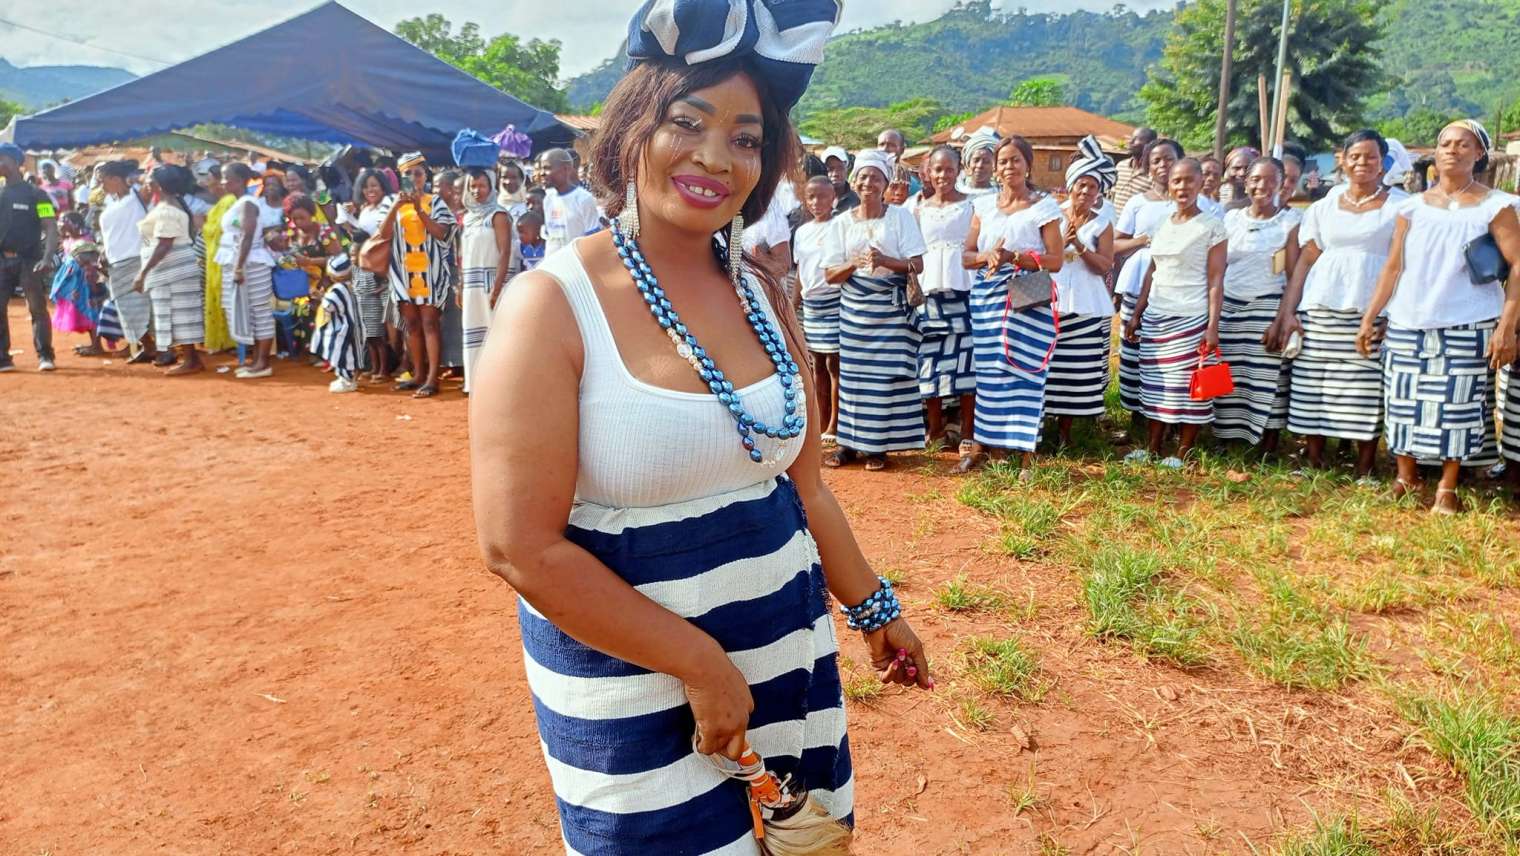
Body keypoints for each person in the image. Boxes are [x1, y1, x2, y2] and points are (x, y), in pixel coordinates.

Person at [471, 3, 933, 849]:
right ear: (631, 130)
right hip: (638, 696)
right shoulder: (550, 306)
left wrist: (874, 611)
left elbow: (806, 488)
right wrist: (699, 664)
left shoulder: (761, 294)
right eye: (688, 122)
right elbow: (517, 548)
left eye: (747, 138)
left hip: (784, 675)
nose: (716, 158)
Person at [1358, 120, 1520, 514]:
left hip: (1468, 320)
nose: (1452, 150)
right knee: (1402, 401)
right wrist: (1370, 316)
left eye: (1463, 144)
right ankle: (1406, 477)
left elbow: (1517, 266)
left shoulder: (1496, 206)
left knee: (1458, 406)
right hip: (1408, 320)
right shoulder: (1412, 207)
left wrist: (1507, 327)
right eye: (1445, 143)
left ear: (1479, 154)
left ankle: (1447, 487)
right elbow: (1393, 267)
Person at [1270, 130, 1406, 478]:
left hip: (1370, 308)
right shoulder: (1323, 206)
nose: (1362, 163)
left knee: (1364, 386)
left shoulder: (1400, 206)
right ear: (1342, 160)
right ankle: (1313, 459)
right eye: (1355, 156)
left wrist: (1392, 312)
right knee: (1315, 382)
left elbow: (1403, 264)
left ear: (1382, 163)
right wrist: (1288, 311)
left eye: (1371, 157)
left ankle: (1364, 466)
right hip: (1320, 306)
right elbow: (1305, 260)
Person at [961, 135, 1065, 476]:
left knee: (1027, 372)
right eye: (1002, 161)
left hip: (1027, 296)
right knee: (991, 376)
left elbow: (1056, 260)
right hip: (987, 298)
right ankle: (998, 449)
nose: (1008, 167)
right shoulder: (984, 206)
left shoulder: (1043, 206)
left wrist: (1016, 257)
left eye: (1015, 160)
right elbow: (967, 255)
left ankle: (1027, 456)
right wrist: (987, 256)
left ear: (1028, 164)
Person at [822, 149, 928, 471]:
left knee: (883, 379)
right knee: (852, 377)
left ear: (885, 184)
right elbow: (829, 275)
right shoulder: (841, 223)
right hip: (855, 311)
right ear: (854, 183)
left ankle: (878, 448)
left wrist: (884, 261)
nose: (869, 182)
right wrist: (853, 263)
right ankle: (848, 445)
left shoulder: (901, 217)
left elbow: (917, 264)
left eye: (876, 177)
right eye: (863, 176)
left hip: (890, 311)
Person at [1123, 158, 1227, 467]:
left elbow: (1216, 279)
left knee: (1188, 387)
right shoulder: (1162, 223)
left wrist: (1212, 325)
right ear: (1169, 185)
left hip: (1191, 317)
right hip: (1157, 315)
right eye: (1176, 181)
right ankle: (1153, 449)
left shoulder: (1212, 227)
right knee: (1156, 384)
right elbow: (1152, 269)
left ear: (1200, 184)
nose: (1182, 187)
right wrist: (1138, 310)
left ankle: (1183, 451)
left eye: (1189, 181)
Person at [1215, 158, 1300, 451]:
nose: (1261, 186)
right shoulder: (1230, 219)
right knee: (1229, 374)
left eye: (1270, 180)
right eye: (1255, 179)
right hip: (1229, 307)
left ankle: (1268, 444)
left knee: (1265, 377)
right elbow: (1218, 269)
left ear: (1280, 183)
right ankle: (1227, 438)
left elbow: (1292, 276)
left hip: (1267, 306)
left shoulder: (1290, 222)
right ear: (1246, 182)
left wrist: (1282, 318)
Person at [1049, 136, 1118, 448]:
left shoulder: (1102, 224)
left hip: (1086, 304)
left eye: (1093, 187)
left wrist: (1078, 245)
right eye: (1082, 185)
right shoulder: (1052, 214)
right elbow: (1041, 254)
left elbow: (1104, 265)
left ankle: (1066, 433)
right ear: (1070, 187)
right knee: (1048, 366)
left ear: (1099, 192)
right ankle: (1042, 430)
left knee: (1074, 372)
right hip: (1052, 299)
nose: (1087, 192)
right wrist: (1061, 242)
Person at [910, 145, 977, 465]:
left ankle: (967, 432)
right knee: (930, 364)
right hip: (929, 296)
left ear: (959, 170)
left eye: (949, 169)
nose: (943, 175)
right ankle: (935, 431)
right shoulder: (917, 206)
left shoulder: (972, 206)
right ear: (927, 172)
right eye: (937, 169)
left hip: (964, 292)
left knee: (967, 368)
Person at [1114, 138, 1184, 434]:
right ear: (1147, 166)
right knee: (1134, 348)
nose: (1162, 166)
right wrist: (1143, 240)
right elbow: (1116, 244)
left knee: (1172, 353)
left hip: (1180, 287)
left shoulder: (1199, 203)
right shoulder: (1138, 202)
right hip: (1137, 279)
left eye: (1168, 159)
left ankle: (1171, 418)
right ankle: (1136, 417)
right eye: (1155, 161)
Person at [380, 152, 456, 398]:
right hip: (404, 273)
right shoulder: (391, 203)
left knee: (430, 324)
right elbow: (382, 234)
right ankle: (418, 374)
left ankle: (433, 378)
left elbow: (443, 234)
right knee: (411, 325)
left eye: (418, 173)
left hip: (430, 273)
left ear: (425, 176)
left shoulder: (435, 203)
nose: (414, 178)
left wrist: (418, 211)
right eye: (408, 174)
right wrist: (397, 206)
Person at [132, 165, 206, 375]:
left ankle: (191, 360)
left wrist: (142, 274)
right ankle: (191, 358)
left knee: (180, 314)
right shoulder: (170, 204)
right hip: (174, 269)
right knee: (180, 313)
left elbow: (164, 245)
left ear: (158, 185)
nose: (145, 182)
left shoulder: (167, 210)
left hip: (173, 269)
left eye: (148, 179)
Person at [214, 163, 278, 378]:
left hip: (251, 265)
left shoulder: (247, 204)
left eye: (227, 178)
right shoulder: (239, 202)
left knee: (259, 312)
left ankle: (262, 363)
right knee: (247, 311)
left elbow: (246, 236)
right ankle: (257, 361)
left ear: (240, 180)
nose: (223, 182)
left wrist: (239, 267)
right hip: (241, 263)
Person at [0, 142, 59, 373]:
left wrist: (47, 258)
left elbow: (51, 227)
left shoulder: (37, 194)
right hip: (2, 261)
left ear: (16, 163)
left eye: (3, 158)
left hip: (29, 261)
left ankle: (45, 355)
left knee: (37, 309)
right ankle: (3, 359)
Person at [459, 167, 513, 396]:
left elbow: (505, 251)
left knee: (496, 334)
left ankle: (499, 387)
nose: (476, 190)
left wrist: (498, 287)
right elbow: (463, 255)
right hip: (471, 287)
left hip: (491, 284)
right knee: (474, 334)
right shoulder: (469, 217)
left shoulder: (498, 215)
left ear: (491, 187)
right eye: (472, 185)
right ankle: (476, 385)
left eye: (481, 185)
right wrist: (460, 286)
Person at [96, 160, 156, 364]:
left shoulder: (137, 197)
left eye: (103, 180)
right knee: (126, 309)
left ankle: (161, 349)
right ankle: (149, 347)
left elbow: (153, 179)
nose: (100, 185)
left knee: (146, 308)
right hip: (115, 262)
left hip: (137, 259)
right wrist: (104, 252)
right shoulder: (110, 203)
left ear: (115, 179)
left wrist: (132, 178)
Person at [795, 175, 842, 440]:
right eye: (811, 197)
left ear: (833, 198)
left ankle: (835, 423)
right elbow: (801, 270)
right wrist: (794, 302)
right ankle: (820, 421)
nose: (816, 202)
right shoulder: (802, 231)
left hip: (834, 301)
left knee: (834, 364)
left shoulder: (839, 226)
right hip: (812, 305)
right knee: (816, 365)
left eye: (822, 196)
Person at [346, 168, 394, 381]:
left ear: (383, 186)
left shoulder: (388, 205)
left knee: (384, 327)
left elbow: (384, 236)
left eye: (374, 185)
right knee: (369, 326)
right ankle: (375, 367)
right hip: (363, 271)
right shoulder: (365, 210)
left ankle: (385, 369)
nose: (370, 190)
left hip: (381, 273)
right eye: (366, 186)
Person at [201, 171, 239, 354]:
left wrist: (203, 225)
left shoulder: (231, 202)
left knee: (228, 300)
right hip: (215, 258)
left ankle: (232, 341)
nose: (209, 185)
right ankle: (223, 340)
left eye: (211, 180)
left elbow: (222, 230)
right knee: (219, 298)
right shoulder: (219, 204)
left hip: (226, 257)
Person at [537, 148, 600, 257]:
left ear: (565, 169)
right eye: (541, 168)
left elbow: (592, 239)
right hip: (552, 266)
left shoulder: (584, 199)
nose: (542, 173)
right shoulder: (548, 199)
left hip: (576, 265)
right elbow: (550, 238)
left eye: (547, 168)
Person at [1111, 126, 1157, 213]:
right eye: (1132, 138)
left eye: (1136, 139)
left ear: (1150, 144)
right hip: (1114, 223)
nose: (1131, 142)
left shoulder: (1153, 174)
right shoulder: (1120, 166)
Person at [958, 128, 999, 199]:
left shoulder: (1001, 196)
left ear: (994, 165)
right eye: (976, 160)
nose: (980, 165)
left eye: (986, 162)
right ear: (968, 162)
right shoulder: (957, 193)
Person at [878, 128, 921, 196]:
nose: (884, 149)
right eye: (881, 144)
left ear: (902, 150)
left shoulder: (909, 184)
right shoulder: (868, 177)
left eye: (892, 145)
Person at [821, 146, 860, 214]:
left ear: (847, 169)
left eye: (840, 168)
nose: (835, 174)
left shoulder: (857, 201)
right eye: (830, 169)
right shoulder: (817, 199)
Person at [515, 209, 545, 273]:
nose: (520, 236)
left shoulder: (546, 248)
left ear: (537, 231)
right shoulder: (523, 249)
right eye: (519, 232)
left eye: (523, 232)